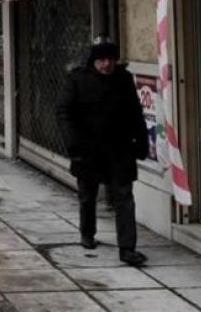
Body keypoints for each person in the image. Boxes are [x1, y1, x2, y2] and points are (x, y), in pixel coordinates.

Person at [56, 38, 149, 267]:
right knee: (88, 195)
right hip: (88, 150)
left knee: (124, 198)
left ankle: (127, 248)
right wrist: (73, 144)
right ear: (93, 60)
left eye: (110, 59)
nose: (106, 64)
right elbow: (64, 112)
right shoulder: (77, 80)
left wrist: (141, 142)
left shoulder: (124, 80)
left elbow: (135, 112)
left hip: (120, 149)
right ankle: (87, 233)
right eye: (101, 60)